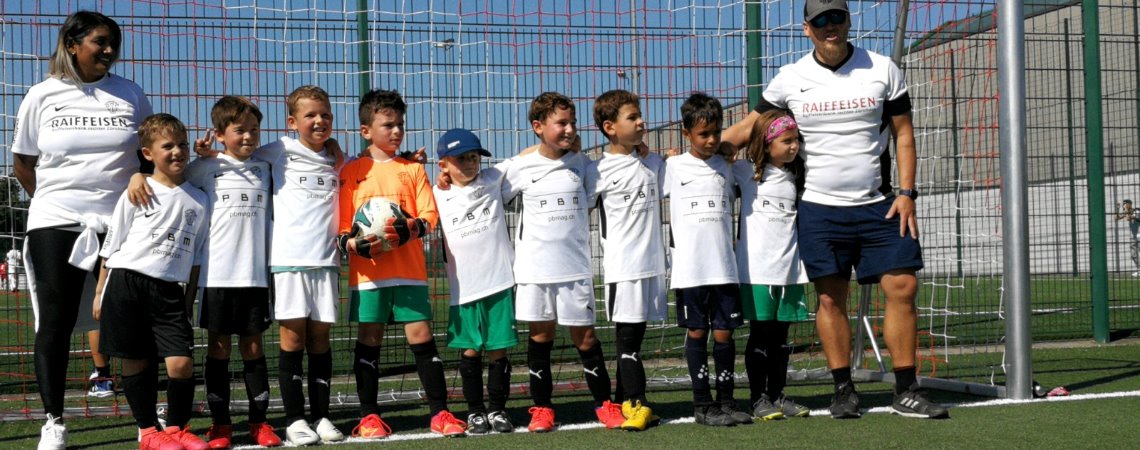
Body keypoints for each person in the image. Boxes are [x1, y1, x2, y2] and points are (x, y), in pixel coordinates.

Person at [722, 0, 948, 419]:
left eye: (838, 17)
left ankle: (906, 389)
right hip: (819, 209)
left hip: (880, 205)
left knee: (903, 288)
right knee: (830, 299)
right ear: (807, 28)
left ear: (848, 21)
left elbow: (903, 135)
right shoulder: (790, 78)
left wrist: (907, 192)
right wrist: (700, 154)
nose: (831, 27)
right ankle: (843, 390)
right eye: (821, 20)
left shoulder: (882, 69)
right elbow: (746, 128)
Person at [10, 11, 154, 450]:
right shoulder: (41, 95)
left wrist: (137, 178)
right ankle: (54, 421)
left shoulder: (130, 93)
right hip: (55, 219)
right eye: (99, 42)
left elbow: (147, 154)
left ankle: (146, 422)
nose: (109, 50)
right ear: (72, 44)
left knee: (131, 320)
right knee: (53, 322)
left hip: (122, 222)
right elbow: (23, 163)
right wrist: (51, 205)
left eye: (113, 42)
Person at [338, 89, 466, 439]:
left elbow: (428, 215)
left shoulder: (412, 170)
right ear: (366, 131)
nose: (396, 132)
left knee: (422, 336)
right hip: (368, 275)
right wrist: (351, 241)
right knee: (370, 339)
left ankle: (440, 412)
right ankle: (369, 417)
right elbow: (343, 225)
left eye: (400, 125)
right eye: (387, 125)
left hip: (408, 270)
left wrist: (406, 230)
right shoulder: (352, 172)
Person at [500, 92, 621, 432]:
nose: (569, 129)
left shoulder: (582, 165)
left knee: (585, 339)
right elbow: (484, 187)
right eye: (560, 123)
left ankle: (605, 405)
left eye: (572, 123)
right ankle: (541, 409)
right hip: (535, 271)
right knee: (541, 338)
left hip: (574, 271)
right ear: (538, 127)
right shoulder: (520, 167)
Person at [92, 113, 209, 450]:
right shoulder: (139, 189)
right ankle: (148, 432)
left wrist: (187, 303)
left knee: (181, 363)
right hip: (126, 282)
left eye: (182, 145)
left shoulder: (200, 200)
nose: (178, 152)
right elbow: (113, 243)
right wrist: (100, 291)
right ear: (148, 153)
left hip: (170, 291)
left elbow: (197, 257)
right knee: (137, 359)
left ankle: (177, 428)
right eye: (167, 146)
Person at [186, 96, 281, 448]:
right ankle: (221, 425)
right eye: (239, 130)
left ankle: (259, 423)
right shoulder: (204, 168)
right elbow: (173, 177)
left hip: (255, 276)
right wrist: (200, 153)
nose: (248, 137)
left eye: (254, 130)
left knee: (254, 347)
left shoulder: (267, 167)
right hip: (217, 277)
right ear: (219, 134)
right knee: (219, 348)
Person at [258, 86, 345, 445]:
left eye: (324, 114)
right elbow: (239, 155)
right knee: (293, 339)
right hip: (289, 262)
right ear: (293, 122)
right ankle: (295, 420)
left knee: (321, 340)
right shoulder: (279, 150)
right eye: (310, 115)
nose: (319, 120)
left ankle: (322, 416)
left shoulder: (337, 157)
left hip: (326, 261)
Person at [664, 92, 751, 427]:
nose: (712, 139)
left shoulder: (729, 167)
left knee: (725, 334)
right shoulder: (672, 167)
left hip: (724, 269)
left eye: (716, 132)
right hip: (690, 272)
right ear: (686, 133)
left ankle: (726, 401)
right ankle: (702, 405)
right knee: (698, 333)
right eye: (704, 134)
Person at [588, 89, 667, 431]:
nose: (641, 122)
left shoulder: (653, 161)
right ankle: (637, 403)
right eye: (632, 118)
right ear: (610, 127)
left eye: (640, 115)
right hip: (624, 267)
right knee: (628, 337)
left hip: (653, 265)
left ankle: (624, 401)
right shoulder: (598, 170)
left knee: (637, 333)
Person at [433, 128, 519, 435]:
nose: (470, 164)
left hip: (499, 283)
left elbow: (526, 159)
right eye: (461, 159)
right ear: (443, 164)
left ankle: (497, 408)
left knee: (499, 350)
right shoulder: (437, 193)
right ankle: (475, 411)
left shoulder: (493, 180)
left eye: (473, 157)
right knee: (470, 352)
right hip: (464, 290)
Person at [733, 110, 811, 420]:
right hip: (757, 273)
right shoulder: (745, 172)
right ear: (766, 144)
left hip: (789, 272)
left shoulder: (797, 176)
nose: (794, 146)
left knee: (781, 339)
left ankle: (778, 395)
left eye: (796, 140)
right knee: (760, 335)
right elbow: (717, 157)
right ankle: (757, 397)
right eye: (786, 140)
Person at [1116, 199, 1140, 276]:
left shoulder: (1137, 211)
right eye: (1123, 205)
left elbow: (1128, 218)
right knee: (1133, 254)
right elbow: (1116, 218)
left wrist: (1126, 209)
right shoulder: (1127, 212)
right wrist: (1117, 209)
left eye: (1125, 204)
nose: (1124, 206)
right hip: (1134, 237)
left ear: (1129, 204)